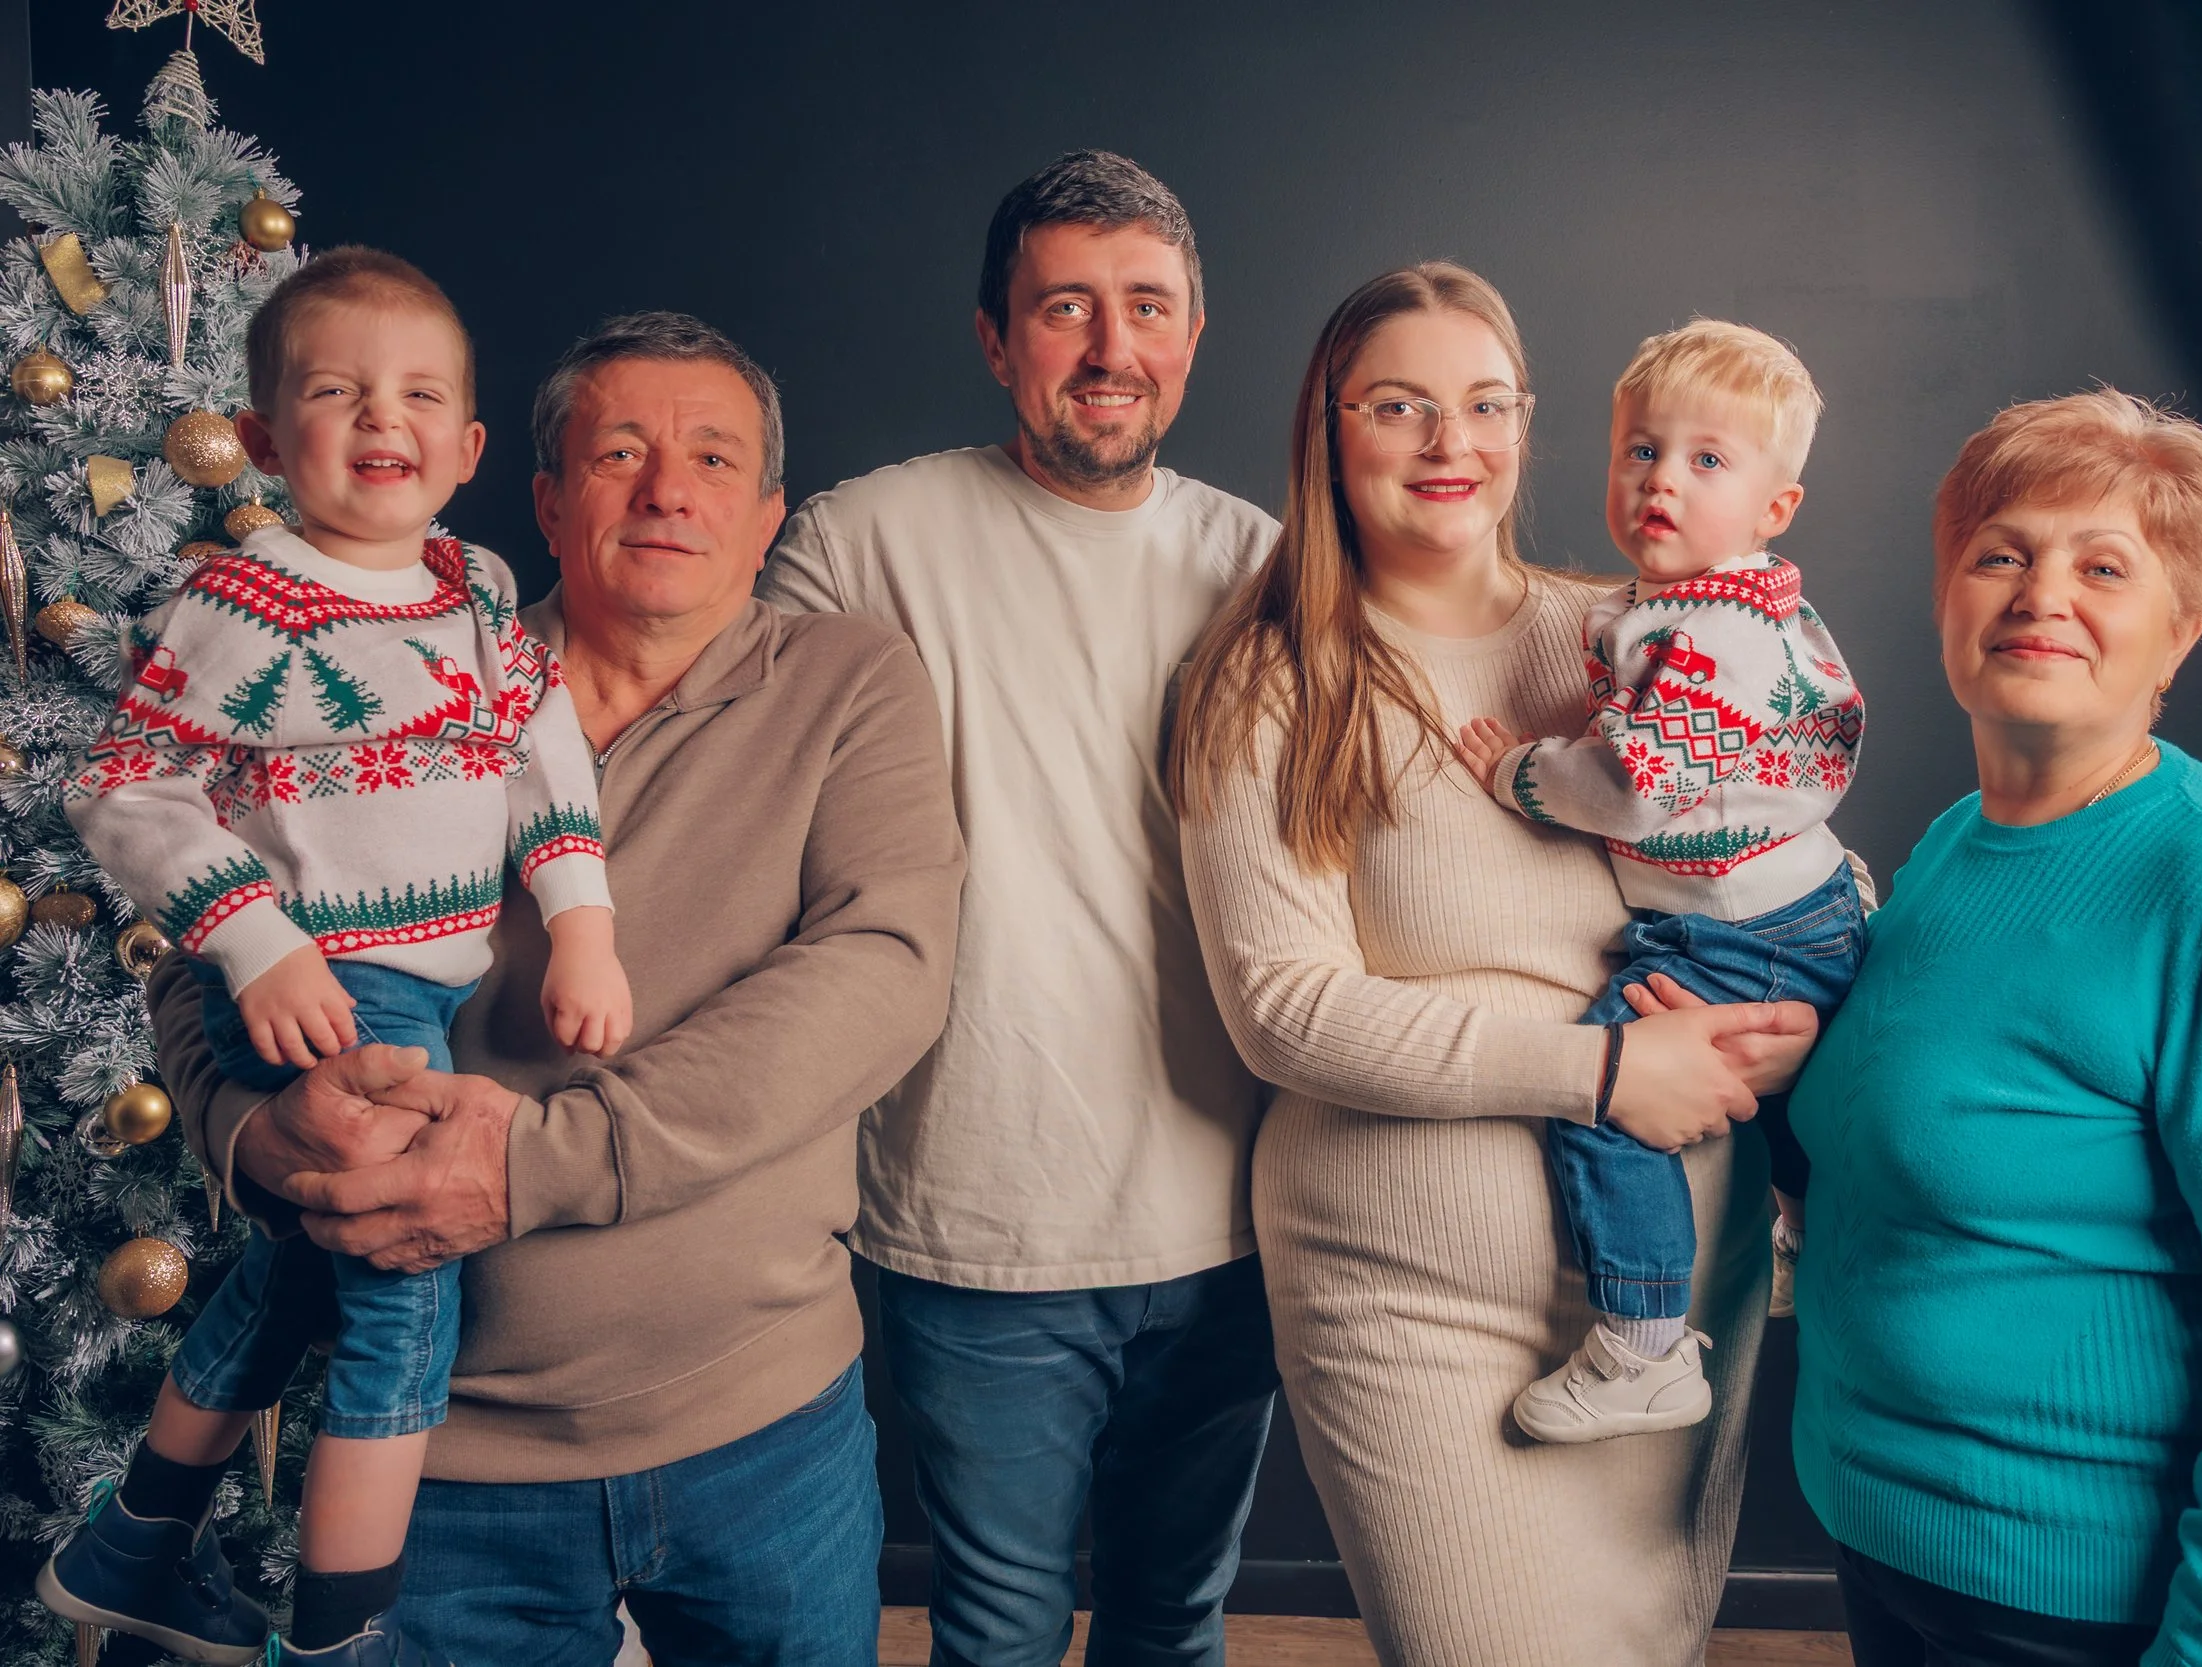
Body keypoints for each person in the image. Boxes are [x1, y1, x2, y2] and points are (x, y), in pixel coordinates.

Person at [138, 312, 964, 1666]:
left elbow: (883, 974)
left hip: (764, 1421)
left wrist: (539, 1161)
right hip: (439, 1453)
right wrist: (248, 1130)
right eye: (619, 452)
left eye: (712, 458)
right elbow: (199, 934)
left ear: (767, 520)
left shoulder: (849, 683)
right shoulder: (393, 672)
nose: (666, 488)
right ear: (541, 498)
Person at [1168, 262, 1823, 1665]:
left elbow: (1780, 850)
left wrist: (1790, 1023)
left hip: (1674, 1304)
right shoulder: (1271, 677)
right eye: (1398, 406)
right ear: (1328, 429)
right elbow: (1285, 1009)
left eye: (1484, 405)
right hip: (1411, 1294)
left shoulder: (1628, 633)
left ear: (1529, 424)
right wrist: (1597, 1068)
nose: (1448, 444)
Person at [43, 248, 631, 1664]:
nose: (387, 418)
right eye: (338, 391)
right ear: (260, 438)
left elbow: (539, 757)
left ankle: (133, 1539)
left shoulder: (482, 592)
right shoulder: (245, 598)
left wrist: (583, 920)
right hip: (320, 986)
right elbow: (123, 781)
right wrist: (256, 941)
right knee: (402, 1294)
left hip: (428, 984)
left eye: (422, 393)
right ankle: (340, 1635)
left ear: (473, 444)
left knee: (308, 1267)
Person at [1782, 390, 2202, 1665]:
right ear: (1948, 594)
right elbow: (1910, 1161)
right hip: (1888, 1538)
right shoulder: (1960, 842)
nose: (2038, 593)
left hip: (2087, 1604)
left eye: (2103, 565)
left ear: (2177, 634)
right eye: (2000, 553)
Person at [757, 150, 1280, 1666]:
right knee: (995, 1624)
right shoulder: (865, 543)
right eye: (1066, 307)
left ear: (1192, 334)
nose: (1111, 348)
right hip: (974, 1213)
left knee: (1174, 1617)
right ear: (997, 338)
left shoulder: (1261, 562)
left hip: (1231, 1210)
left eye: (1146, 308)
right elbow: (703, 762)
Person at [1454, 320, 1866, 1444]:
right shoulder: (1753, 605)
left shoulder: (1701, 636)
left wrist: (1518, 771)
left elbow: (1637, 791)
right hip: (1807, 901)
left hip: (1733, 929)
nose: (1660, 482)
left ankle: (1639, 1342)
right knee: (1793, 1114)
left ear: (1774, 507)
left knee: (1610, 1093)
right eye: (1640, 450)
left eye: (1706, 461)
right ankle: (1804, 1234)